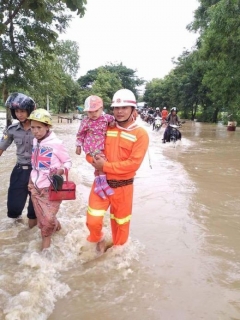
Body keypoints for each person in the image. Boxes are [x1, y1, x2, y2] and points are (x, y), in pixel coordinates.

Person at [85, 88, 149, 253]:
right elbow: (90, 149)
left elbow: (133, 164)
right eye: (116, 108)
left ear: (133, 110)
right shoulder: (105, 127)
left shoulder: (140, 134)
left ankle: (116, 258)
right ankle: (99, 237)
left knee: (121, 228)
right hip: (101, 184)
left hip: (124, 188)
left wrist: (104, 166)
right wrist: (93, 161)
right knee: (92, 220)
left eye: (124, 108)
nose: (119, 112)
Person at [27, 109, 72, 250]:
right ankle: (57, 228)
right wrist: (30, 182)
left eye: (39, 127)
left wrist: (60, 170)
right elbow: (35, 167)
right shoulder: (35, 141)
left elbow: (68, 162)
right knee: (45, 219)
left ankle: (45, 255)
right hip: (35, 188)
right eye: (33, 127)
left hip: (51, 189)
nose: (35, 131)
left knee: (46, 222)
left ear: (48, 127)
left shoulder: (56, 143)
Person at [0, 92, 37, 228]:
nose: (19, 114)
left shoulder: (39, 128)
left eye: (22, 111)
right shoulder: (11, 130)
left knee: (34, 210)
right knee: (14, 208)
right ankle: (17, 240)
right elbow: (1, 147)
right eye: (16, 111)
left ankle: (30, 240)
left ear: (29, 110)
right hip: (20, 171)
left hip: (37, 173)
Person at [75, 95, 115, 199]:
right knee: (101, 163)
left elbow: (114, 120)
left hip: (102, 146)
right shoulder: (85, 121)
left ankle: (98, 186)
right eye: (90, 112)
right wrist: (78, 146)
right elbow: (80, 134)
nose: (93, 114)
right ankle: (103, 185)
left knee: (99, 165)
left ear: (101, 109)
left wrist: (112, 123)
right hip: (91, 146)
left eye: (95, 111)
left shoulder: (106, 118)